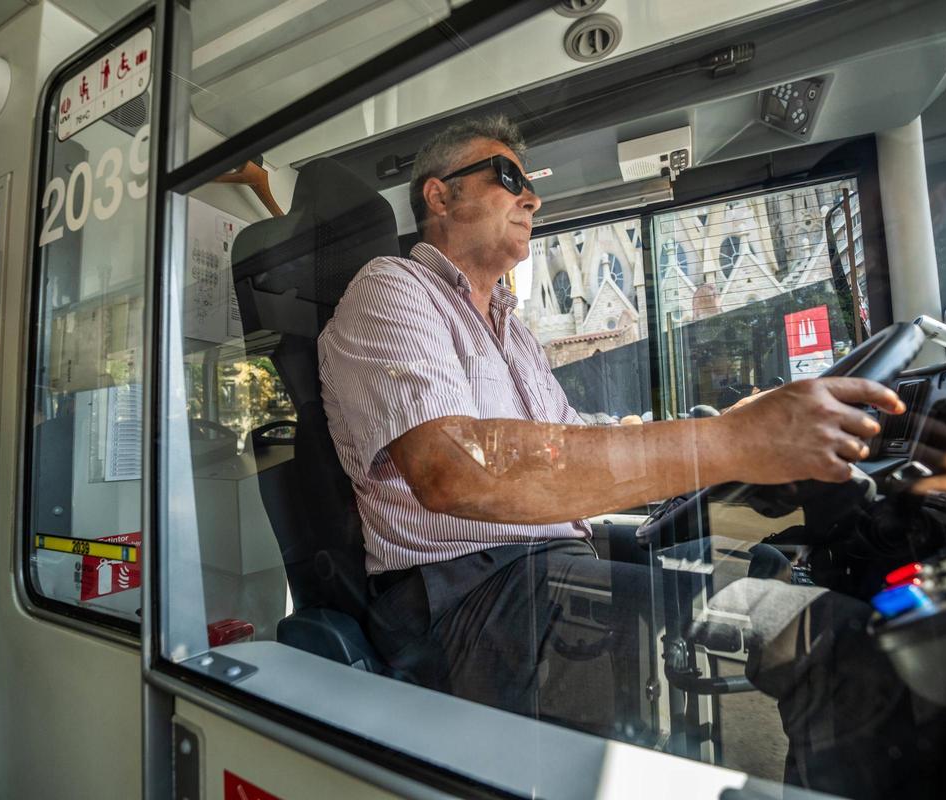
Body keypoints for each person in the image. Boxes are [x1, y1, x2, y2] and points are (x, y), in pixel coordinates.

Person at [318, 116, 914, 795]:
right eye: (507, 176)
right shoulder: (391, 289)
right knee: (836, 645)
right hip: (469, 601)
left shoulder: (510, 329)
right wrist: (732, 443)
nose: (532, 198)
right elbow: (455, 470)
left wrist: (730, 437)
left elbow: (572, 438)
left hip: (548, 573)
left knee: (780, 588)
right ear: (439, 196)